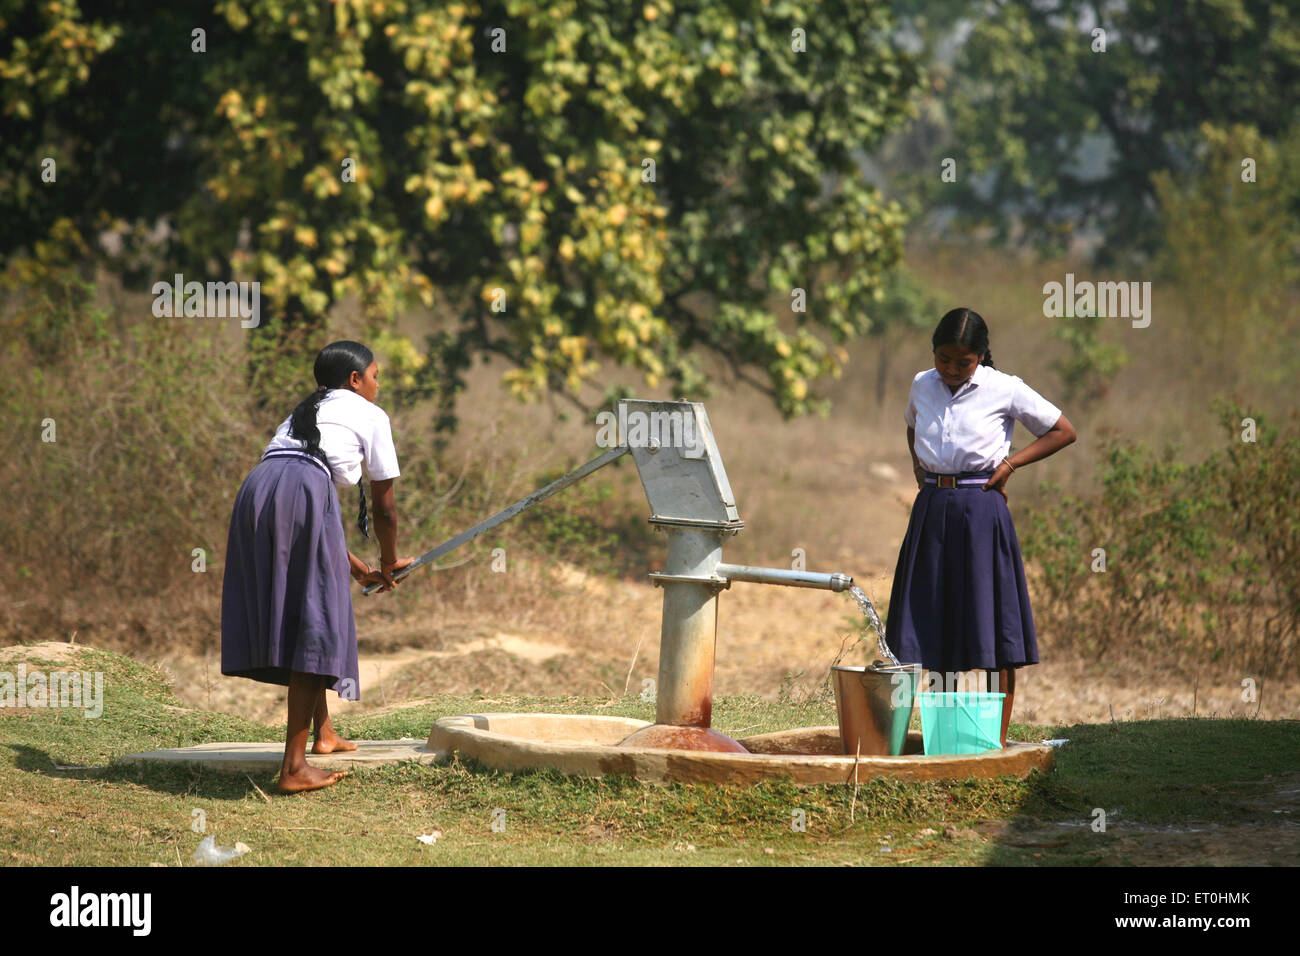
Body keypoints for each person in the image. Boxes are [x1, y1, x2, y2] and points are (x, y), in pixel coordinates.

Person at [221, 340, 415, 793]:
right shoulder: (370, 414)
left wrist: (352, 565)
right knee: (316, 621)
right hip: (302, 488)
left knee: (308, 608)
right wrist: (389, 562)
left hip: (259, 488)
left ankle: (324, 734)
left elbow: (305, 510)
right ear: (355, 380)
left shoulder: (305, 410)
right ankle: (293, 768)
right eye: (375, 375)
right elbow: (385, 507)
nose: (378, 384)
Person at [884, 308, 1077, 747]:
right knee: (933, 627)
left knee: (992, 627)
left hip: (981, 512)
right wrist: (920, 470)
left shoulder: (1004, 388)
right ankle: (945, 738)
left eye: (963, 362)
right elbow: (912, 427)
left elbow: (1063, 431)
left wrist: (1010, 464)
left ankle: (996, 741)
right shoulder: (921, 384)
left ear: (981, 356)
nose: (952, 370)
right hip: (931, 510)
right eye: (944, 359)